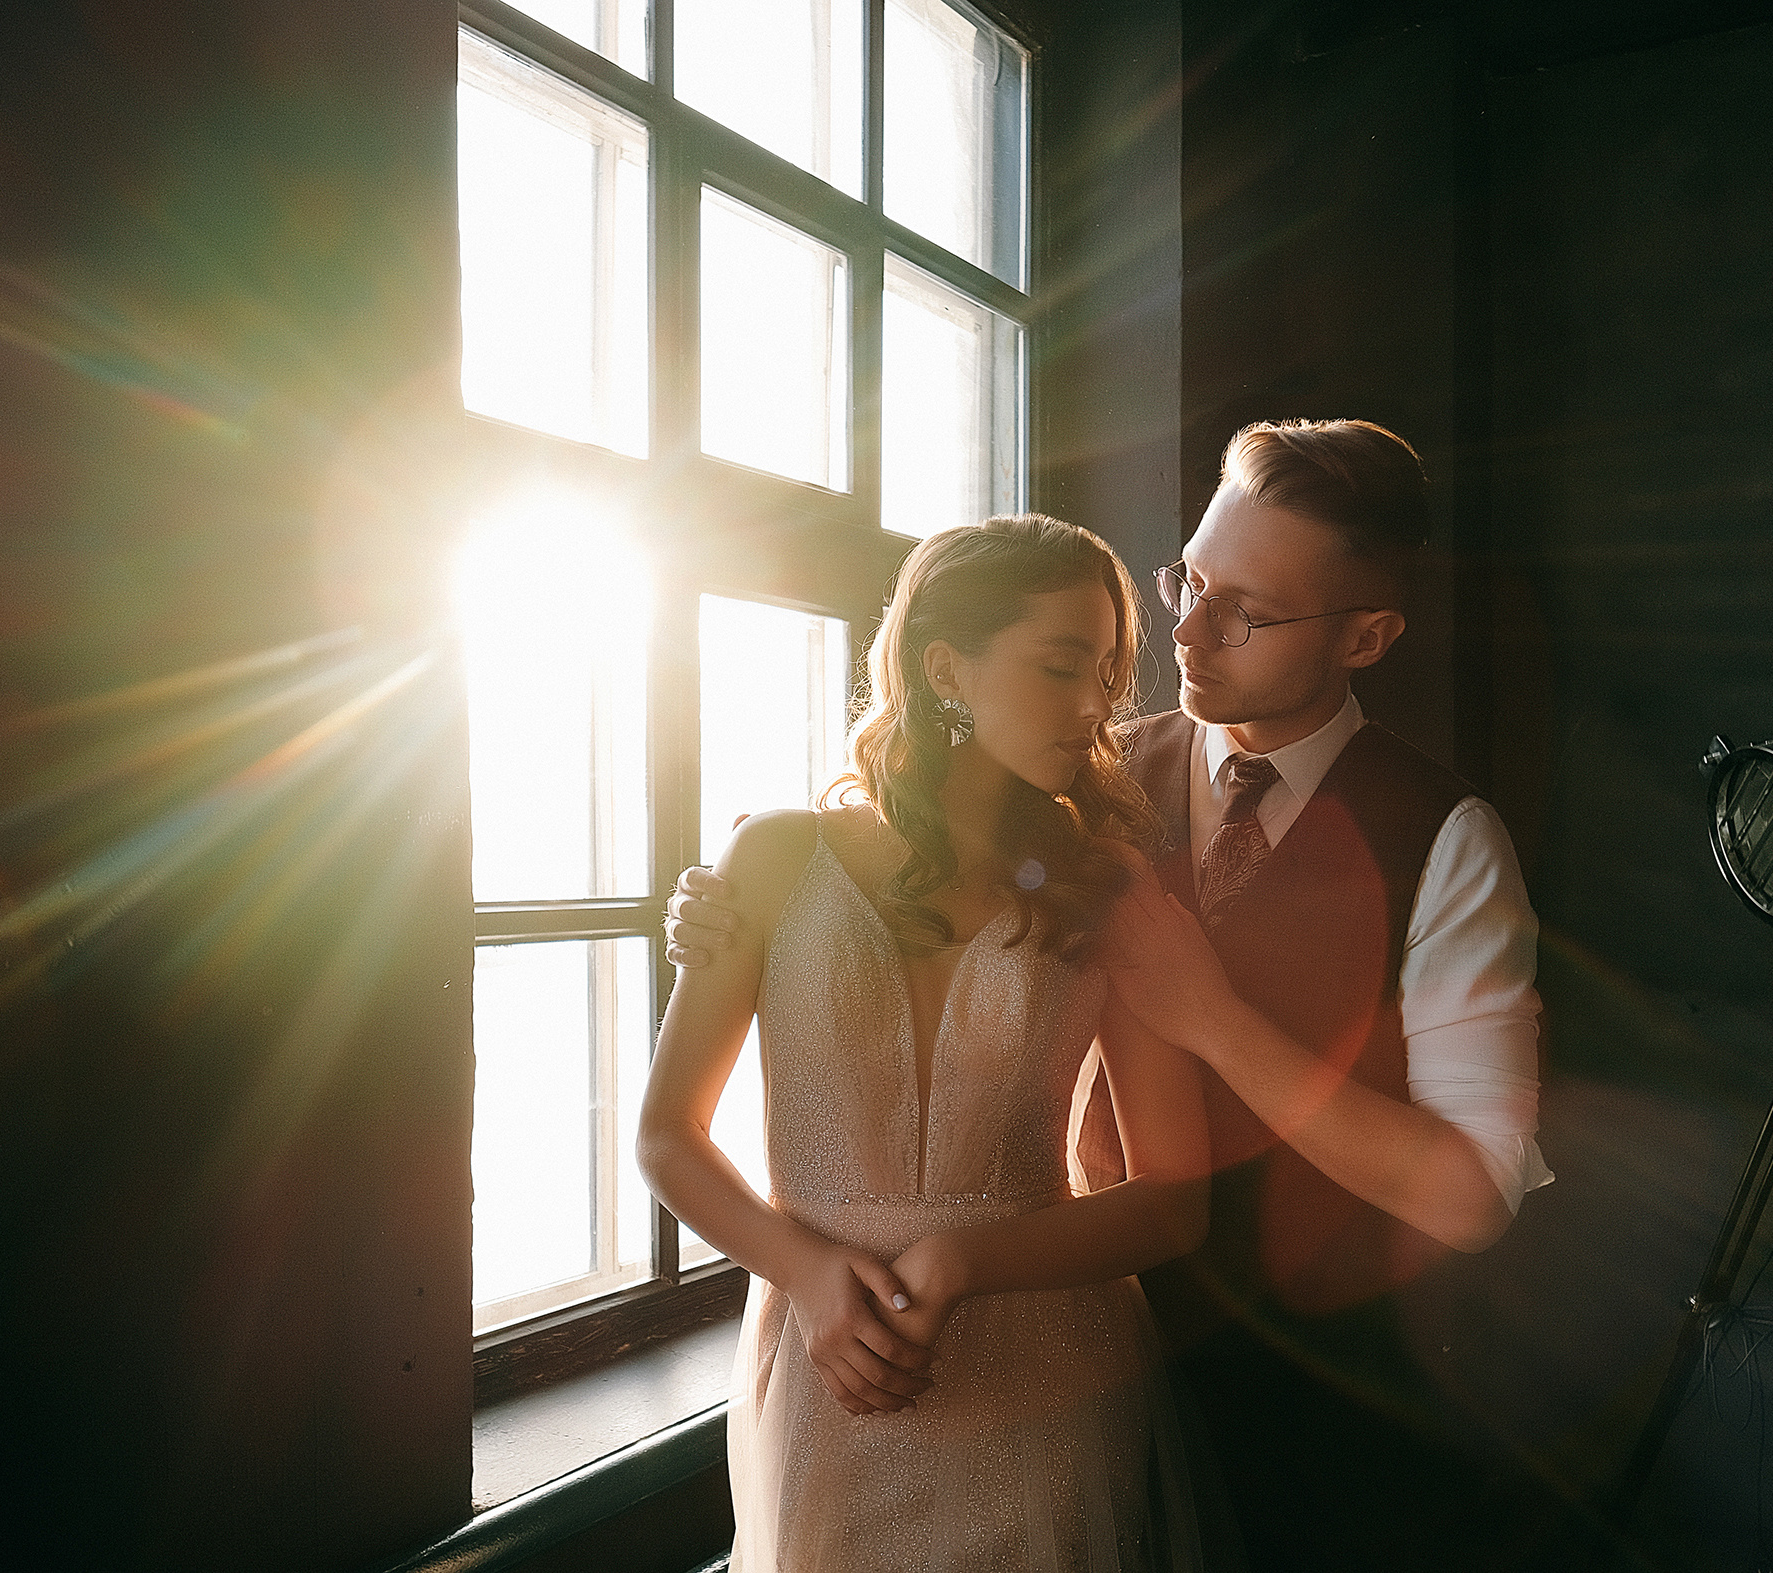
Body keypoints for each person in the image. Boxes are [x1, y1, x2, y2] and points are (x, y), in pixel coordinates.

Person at [669, 420, 1551, 1569]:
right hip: (1050, 1358)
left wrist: (1217, 1023)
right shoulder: (1071, 783)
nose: (1184, 631)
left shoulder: (1447, 841)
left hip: (1317, 1413)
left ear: (1366, 634)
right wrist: (731, 895)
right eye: (1187, 577)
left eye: (1247, 611)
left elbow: (1470, 1196)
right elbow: (895, 877)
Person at [637, 514, 1213, 1572]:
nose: (1094, 705)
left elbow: (1175, 1196)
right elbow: (667, 1137)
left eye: (1105, 671)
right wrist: (808, 1276)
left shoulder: (1110, 887)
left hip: (1050, 1371)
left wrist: (964, 1255)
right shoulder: (770, 859)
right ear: (946, 666)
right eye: (1058, 666)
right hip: (828, 1367)